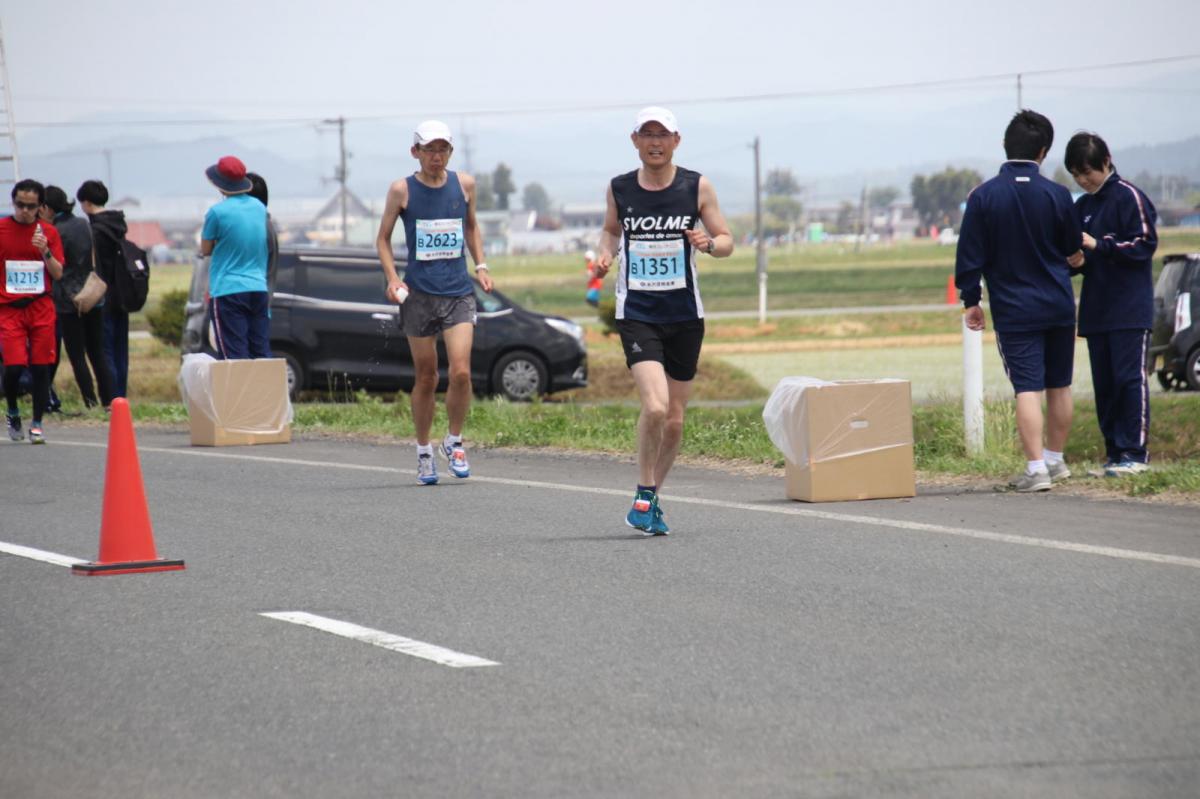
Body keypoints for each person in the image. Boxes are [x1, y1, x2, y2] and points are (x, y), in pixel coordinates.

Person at [593, 106, 733, 534]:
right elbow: (612, 231)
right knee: (654, 406)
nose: (655, 142)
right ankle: (642, 490)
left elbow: (727, 241)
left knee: (674, 417)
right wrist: (605, 251)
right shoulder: (620, 188)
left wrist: (708, 244)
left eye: (662, 134)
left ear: (676, 141)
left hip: (685, 314)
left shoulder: (697, 186)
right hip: (637, 312)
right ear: (635, 141)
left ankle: (651, 497)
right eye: (646, 134)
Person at [955, 109, 1085, 492]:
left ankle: (1034, 470)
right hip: (1060, 304)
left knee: (1027, 387)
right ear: (1044, 151)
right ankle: (1055, 461)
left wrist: (971, 300)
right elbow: (1073, 250)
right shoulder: (1059, 195)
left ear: (1004, 146)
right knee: (1060, 385)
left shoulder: (983, 197)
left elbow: (969, 256)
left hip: (1016, 309)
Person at [376, 120, 492, 486]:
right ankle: (424, 450)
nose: (436, 157)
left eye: (442, 150)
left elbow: (471, 226)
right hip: (418, 295)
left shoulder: (465, 184)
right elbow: (382, 239)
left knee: (460, 371)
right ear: (416, 152)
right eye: (429, 150)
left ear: (450, 153)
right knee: (426, 376)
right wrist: (392, 278)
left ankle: (454, 440)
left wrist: (482, 264)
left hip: (458, 291)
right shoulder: (401, 190)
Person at [1064, 132, 1158, 477]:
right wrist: (1076, 261)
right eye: (1075, 175)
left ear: (1106, 162)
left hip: (1129, 310)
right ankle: (1115, 454)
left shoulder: (1129, 196)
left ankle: (1135, 453)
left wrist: (1098, 245)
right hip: (1097, 310)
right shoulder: (1082, 207)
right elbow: (1082, 256)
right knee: (1104, 385)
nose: (1082, 180)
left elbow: (1144, 245)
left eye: (1087, 172)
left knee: (1129, 380)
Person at [40, 185, 115, 410]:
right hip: (92, 295)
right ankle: (110, 400)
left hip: (67, 299)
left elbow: (57, 267)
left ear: (47, 208)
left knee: (77, 354)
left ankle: (90, 402)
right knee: (97, 351)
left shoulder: (53, 232)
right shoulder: (83, 224)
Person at [1, 179, 65, 443]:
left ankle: (37, 422)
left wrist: (45, 252)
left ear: (40, 207)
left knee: (42, 368)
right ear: (13, 203)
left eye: (31, 206)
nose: (25, 211)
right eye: (20, 205)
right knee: (13, 368)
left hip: (40, 306)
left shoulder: (48, 233)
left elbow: (59, 273)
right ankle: (13, 411)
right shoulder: (3, 229)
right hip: (9, 309)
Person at [200, 156, 271, 359]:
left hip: (227, 291)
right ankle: (264, 392)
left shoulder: (216, 213)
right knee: (261, 353)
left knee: (234, 356)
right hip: (258, 288)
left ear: (220, 184)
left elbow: (205, 249)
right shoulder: (259, 208)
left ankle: (239, 393)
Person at [77, 179, 130, 398]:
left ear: (87, 203)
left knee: (104, 349)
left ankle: (112, 397)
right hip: (123, 294)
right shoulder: (118, 225)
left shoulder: (93, 231)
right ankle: (121, 397)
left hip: (102, 295)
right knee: (120, 350)